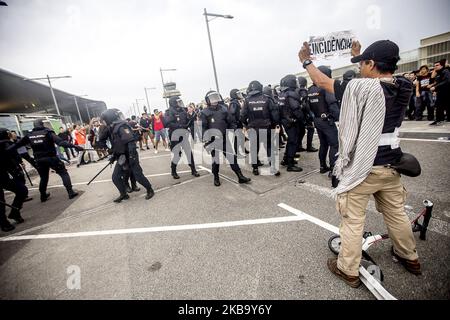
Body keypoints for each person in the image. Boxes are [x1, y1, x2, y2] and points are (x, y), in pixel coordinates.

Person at [299, 39, 422, 288]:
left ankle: (348, 269)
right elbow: (372, 83)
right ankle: (410, 257)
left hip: (364, 168)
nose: (361, 68)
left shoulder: (362, 89)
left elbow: (322, 81)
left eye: (364, 63)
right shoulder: (404, 86)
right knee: (397, 214)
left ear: (372, 64)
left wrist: (306, 61)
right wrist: (357, 56)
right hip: (392, 166)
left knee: (353, 221)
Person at [8, 120, 83, 202]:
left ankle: (43, 196)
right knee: (63, 173)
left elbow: (16, 145)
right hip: (51, 158)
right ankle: (70, 192)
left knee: (43, 177)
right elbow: (61, 142)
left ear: (34, 126)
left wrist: (5, 151)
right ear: (42, 124)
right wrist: (75, 146)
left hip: (39, 160)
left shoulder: (29, 135)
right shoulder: (48, 132)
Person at [99, 109, 155, 203]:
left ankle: (150, 190)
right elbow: (105, 140)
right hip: (121, 156)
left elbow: (130, 142)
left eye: (104, 120)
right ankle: (124, 194)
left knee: (138, 175)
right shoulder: (111, 127)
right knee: (115, 177)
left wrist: (132, 157)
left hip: (130, 155)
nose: (104, 122)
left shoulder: (121, 126)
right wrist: (113, 153)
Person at [201, 91, 251, 186]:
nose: (215, 100)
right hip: (213, 141)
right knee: (216, 161)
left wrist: (234, 129)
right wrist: (206, 140)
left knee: (232, 158)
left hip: (224, 139)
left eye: (216, 97)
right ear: (208, 100)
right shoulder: (204, 112)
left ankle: (240, 176)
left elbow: (230, 121)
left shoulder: (224, 109)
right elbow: (203, 127)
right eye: (212, 98)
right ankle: (216, 177)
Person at [241, 81, 280, 176]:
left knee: (254, 148)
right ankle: (273, 168)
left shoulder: (247, 100)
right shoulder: (267, 98)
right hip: (266, 127)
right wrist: (274, 125)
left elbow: (242, 116)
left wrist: (247, 125)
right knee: (270, 147)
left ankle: (255, 168)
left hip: (253, 128)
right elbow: (274, 114)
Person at [307, 66, 340, 176]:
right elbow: (332, 104)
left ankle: (322, 166)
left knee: (323, 144)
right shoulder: (326, 88)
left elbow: (308, 106)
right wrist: (340, 118)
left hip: (317, 120)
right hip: (327, 120)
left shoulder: (310, 89)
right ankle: (333, 169)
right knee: (335, 145)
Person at [165, 97, 200, 179]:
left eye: (180, 101)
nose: (179, 103)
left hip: (184, 134)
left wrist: (191, 117)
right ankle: (173, 171)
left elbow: (187, 120)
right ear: (173, 103)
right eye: (178, 102)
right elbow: (167, 123)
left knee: (189, 152)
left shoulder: (183, 110)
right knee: (177, 154)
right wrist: (180, 126)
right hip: (174, 135)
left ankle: (193, 170)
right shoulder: (168, 112)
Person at [0, 128, 28, 231]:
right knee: (1, 201)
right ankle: (3, 223)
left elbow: (10, 154)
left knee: (22, 190)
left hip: (3, 176)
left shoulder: (6, 144)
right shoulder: (4, 145)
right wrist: (19, 143)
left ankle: (14, 213)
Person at [278, 75, 304, 172]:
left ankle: (286, 159)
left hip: (286, 121)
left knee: (290, 141)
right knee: (293, 142)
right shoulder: (291, 94)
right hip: (292, 122)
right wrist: (302, 119)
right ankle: (290, 164)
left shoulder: (282, 94)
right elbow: (296, 108)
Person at [297, 77, 318, 153]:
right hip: (305, 114)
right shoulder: (303, 91)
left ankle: (298, 146)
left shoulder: (295, 91)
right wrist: (310, 113)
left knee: (301, 131)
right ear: (305, 83)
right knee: (311, 129)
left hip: (299, 114)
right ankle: (309, 146)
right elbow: (305, 103)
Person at [429, 59, 450, 125]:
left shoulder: (445, 71)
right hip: (441, 92)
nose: (435, 66)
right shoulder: (439, 73)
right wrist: (435, 90)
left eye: (437, 65)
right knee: (439, 106)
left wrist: (435, 87)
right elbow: (436, 82)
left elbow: (447, 81)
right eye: (434, 65)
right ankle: (439, 120)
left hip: (447, 92)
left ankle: (440, 120)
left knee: (443, 106)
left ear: (442, 65)